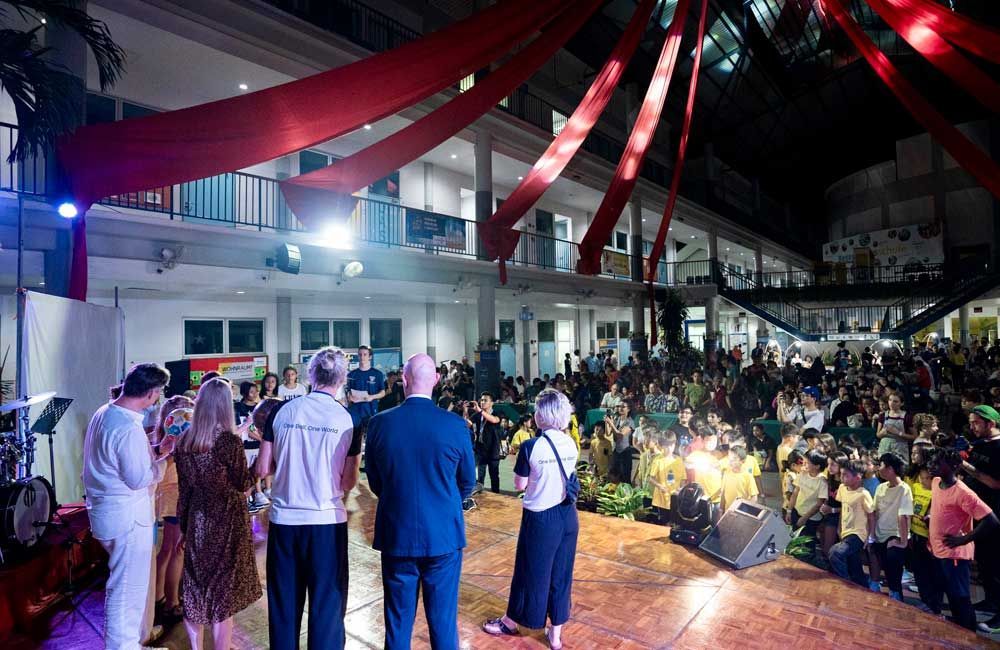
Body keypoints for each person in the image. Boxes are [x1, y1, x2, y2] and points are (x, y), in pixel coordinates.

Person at [366, 353, 476, 650]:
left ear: (403, 380)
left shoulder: (379, 424)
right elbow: (467, 482)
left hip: (397, 534)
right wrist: (444, 502)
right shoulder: (455, 425)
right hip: (443, 536)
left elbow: (375, 481)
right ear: (437, 381)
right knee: (443, 625)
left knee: (397, 625)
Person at [257, 347, 361, 650]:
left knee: (284, 606)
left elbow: (264, 467)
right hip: (326, 522)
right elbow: (348, 481)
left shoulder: (281, 411)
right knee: (327, 607)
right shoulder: (347, 419)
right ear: (342, 378)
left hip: (285, 521)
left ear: (309, 375)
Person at [83, 363, 174, 650]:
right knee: (127, 591)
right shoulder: (126, 427)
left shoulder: (106, 412)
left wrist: (158, 450)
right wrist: (164, 463)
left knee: (125, 587)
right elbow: (139, 478)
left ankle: (129, 644)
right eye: (158, 394)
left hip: (108, 514)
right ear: (151, 393)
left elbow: (117, 461)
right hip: (127, 519)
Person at [483, 389, 579, 650]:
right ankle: (556, 635)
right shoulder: (571, 443)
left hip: (540, 518)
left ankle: (511, 621)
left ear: (543, 415)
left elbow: (518, 484)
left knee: (529, 572)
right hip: (568, 516)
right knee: (561, 574)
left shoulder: (530, 446)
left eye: (538, 409)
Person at [173, 378, 262, 650]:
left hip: (198, 520)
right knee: (222, 593)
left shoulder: (185, 441)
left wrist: (185, 529)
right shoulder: (228, 441)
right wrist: (261, 460)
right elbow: (244, 484)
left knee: (195, 587)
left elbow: (185, 491)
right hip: (226, 520)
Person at [926, 447, 999, 630]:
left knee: (960, 598)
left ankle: (969, 635)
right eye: (931, 461)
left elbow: (991, 520)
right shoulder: (936, 482)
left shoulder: (963, 493)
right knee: (951, 596)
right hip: (940, 551)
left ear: (954, 466)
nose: (930, 465)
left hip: (955, 554)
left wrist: (963, 540)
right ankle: (960, 631)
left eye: (936, 463)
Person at [153, 395, 194, 627]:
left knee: (168, 549)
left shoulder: (160, 437)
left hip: (169, 495)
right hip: (175, 495)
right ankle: (171, 602)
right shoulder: (173, 441)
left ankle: (160, 597)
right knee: (176, 550)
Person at [962, 404, 1000, 630]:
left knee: (996, 563)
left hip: (995, 514)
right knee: (985, 561)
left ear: (991, 423)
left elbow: (996, 483)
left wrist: (965, 466)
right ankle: (991, 600)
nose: (972, 427)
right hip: (980, 512)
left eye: (976, 422)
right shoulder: (980, 444)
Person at [868, 452, 912, 601]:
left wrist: (902, 541)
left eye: (880, 465)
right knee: (882, 563)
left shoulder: (904, 489)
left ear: (890, 469)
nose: (877, 468)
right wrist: (872, 535)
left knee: (893, 565)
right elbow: (874, 512)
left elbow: (904, 516)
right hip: (880, 534)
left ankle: (896, 595)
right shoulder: (881, 488)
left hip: (895, 535)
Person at [828, 459, 875, 587]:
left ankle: (845, 583)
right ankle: (862, 586)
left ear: (858, 477)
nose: (842, 477)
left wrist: (870, 537)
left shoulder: (863, 494)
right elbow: (843, 509)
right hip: (845, 532)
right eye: (841, 474)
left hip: (858, 534)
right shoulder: (842, 488)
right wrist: (839, 528)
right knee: (854, 565)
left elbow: (871, 516)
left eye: (845, 475)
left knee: (835, 553)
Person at [468, 392, 503, 493]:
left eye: (485, 400)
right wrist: (466, 411)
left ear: (492, 403)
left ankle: (497, 495)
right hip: (480, 450)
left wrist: (479, 411)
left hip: (493, 450)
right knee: (480, 475)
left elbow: (494, 420)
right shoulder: (477, 415)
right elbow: (466, 424)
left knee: (494, 476)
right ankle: (479, 494)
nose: (482, 402)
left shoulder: (498, 413)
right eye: (481, 400)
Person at [347, 345, 387, 429]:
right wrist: (349, 397)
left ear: (370, 357)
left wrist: (372, 397)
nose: (362, 357)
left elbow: (382, 392)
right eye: (360, 354)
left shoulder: (377, 374)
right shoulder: (351, 374)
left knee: (371, 436)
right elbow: (348, 392)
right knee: (355, 437)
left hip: (371, 409)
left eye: (365, 354)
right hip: (355, 411)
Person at [720, 446, 758, 513]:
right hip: (727, 512)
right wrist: (721, 510)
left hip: (741, 513)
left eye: (734, 458)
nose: (730, 461)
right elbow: (723, 493)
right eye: (729, 458)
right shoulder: (726, 473)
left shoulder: (747, 476)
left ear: (742, 461)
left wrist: (745, 511)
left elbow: (754, 497)